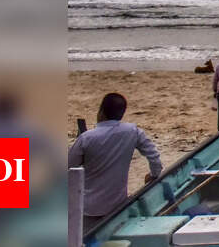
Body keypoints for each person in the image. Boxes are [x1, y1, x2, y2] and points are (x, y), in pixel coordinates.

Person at [68, 93, 162, 232]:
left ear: (101, 111)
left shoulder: (86, 138)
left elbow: (69, 167)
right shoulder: (133, 131)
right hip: (117, 205)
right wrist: (154, 174)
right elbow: (154, 156)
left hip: (89, 208)